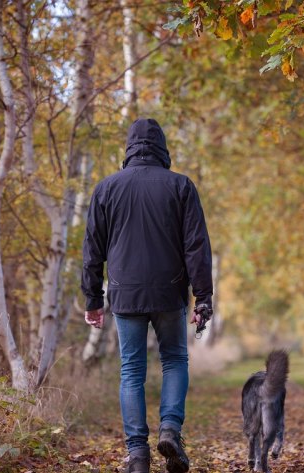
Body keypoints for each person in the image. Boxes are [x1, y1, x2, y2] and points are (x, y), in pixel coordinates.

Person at [81, 118, 213, 473]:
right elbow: (196, 246)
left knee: (131, 370)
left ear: (129, 147)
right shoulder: (181, 186)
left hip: (125, 294)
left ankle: (137, 454)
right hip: (170, 291)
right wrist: (203, 297)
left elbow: (92, 249)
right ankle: (170, 428)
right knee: (173, 360)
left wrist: (93, 298)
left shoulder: (106, 188)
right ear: (162, 147)